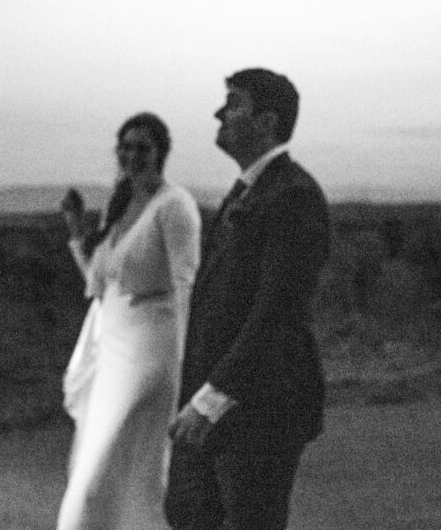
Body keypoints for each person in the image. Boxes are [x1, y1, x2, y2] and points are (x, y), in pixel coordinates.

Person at [165, 68, 331, 530]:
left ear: (267, 122)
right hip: (219, 400)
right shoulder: (248, 190)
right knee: (189, 516)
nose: (221, 113)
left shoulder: (294, 196)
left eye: (234, 103)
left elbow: (276, 311)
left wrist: (212, 400)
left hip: (262, 407)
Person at [57, 112, 202, 530]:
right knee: (101, 469)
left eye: (143, 147)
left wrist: (187, 367)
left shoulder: (175, 206)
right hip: (111, 351)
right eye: (125, 146)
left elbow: (185, 287)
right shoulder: (120, 205)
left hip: (151, 354)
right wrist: (74, 229)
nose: (132, 155)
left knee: (105, 472)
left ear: (161, 152)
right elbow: (99, 284)